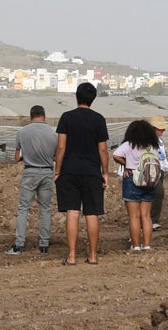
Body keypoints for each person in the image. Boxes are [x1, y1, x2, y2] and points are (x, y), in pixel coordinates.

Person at [53, 82, 110, 265]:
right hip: (92, 171)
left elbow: (61, 147)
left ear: (76, 96)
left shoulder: (66, 117)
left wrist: (57, 170)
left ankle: (71, 256)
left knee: (72, 212)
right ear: (93, 99)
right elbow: (103, 150)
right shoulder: (99, 119)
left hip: (69, 171)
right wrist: (105, 172)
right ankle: (92, 255)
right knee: (92, 213)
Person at [111, 118, 168, 253]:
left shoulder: (129, 144)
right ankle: (147, 245)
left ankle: (136, 245)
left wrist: (126, 164)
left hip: (132, 178)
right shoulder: (153, 146)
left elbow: (115, 155)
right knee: (146, 216)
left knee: (134, 216)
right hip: (149, 181)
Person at [8, 105, 58, 255]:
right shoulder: (53, 132)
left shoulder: (22, 132)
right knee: (45, 208)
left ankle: (19, 244)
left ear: (31, 116)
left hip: (30, 171)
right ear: (44, 115)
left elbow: (17, 157)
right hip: (47, 172)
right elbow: (56, 155)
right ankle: (44, 244)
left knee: (24, 208)